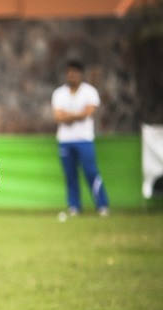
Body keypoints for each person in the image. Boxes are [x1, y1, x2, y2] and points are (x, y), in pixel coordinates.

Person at [51, 60, 110, 216]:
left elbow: (88, 113)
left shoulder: (90, 92)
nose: (72, 76)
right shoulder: (59, 93)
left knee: (91, 173)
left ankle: (102, 205)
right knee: (70, 176)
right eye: (69, 73)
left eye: (75, 73)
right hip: (65, 141)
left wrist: (69, 116)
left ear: (80, 74)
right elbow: (58, 116)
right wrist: (78, 115)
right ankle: (74, 207)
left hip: (84, 140)